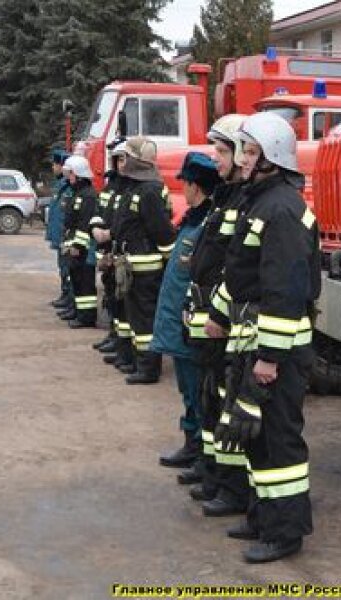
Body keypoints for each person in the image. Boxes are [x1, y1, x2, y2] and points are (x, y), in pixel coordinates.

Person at [208, 111, 321, 563]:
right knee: (253, 435)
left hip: (278, 349)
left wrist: (269, 356)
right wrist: (221, 315)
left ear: (272, 158)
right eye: (244, 150)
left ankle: (285, 532)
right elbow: (241, 275)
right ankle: (261, 516)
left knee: (278, 439)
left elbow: (285, 291)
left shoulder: (283, 210)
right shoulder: (259, 201)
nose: (244, 158)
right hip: (252, 340)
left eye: (252, 152)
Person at [183, 114, 252, 517]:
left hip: (226, 321)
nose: (218, 160)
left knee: (226, 404)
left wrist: (219, 311)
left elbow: (237, 266)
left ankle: (230, 487)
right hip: (209, 316)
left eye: (223, 151)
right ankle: (213, 474)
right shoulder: (226, 197)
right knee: (211, 400)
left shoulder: (244, 201)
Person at [151, 152, 221, 475]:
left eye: (186, 183)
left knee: (199, 392)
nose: (183, 189)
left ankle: (203, 455)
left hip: (193, 330)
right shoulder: (193, 220)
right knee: (188, 391)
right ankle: (192, 444)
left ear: (197, 186)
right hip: (180, 326)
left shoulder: (208, 223)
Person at [109, 136, 177, 384]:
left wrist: (171, 266)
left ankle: (149, 369)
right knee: (136, 318)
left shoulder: (148, 191)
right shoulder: (136, 188)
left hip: (145, 269)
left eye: (127, 157)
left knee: (145, 319)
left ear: (138, 160)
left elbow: (162, 232)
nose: (122, 163)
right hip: (132, 265)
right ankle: (139, 361)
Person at [90, 141, 128, 354]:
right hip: (107, 249)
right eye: (117, 159)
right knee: (111, 296)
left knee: (121, 300)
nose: (120, 164)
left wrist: (109, 234)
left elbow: (125, 222)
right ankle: (114, 335)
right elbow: (99, 211)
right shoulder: (111, 185)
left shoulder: (130, 187)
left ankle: (120, 341)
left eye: (123, 159)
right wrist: (95, 227)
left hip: (118, 250)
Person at [61, 155, 98, 328]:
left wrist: (78, 245)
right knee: (75, 279)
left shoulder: (88, 196)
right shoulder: (78, 193)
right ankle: (77, 310)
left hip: (83, 249)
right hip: (75, 246)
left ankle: (87, 317)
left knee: (85, 283)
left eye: (70, 174)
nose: (68, 178)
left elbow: (85, 224)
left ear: (77, 174)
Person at [47, 148, 74, 315]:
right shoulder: (60, 185)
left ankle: (69, 296)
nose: (53, 167)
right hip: (59, 234)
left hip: (66, 235)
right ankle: (65, 294)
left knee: (67, 267)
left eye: (55, 164)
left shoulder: (68, 187)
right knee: (62, 266)